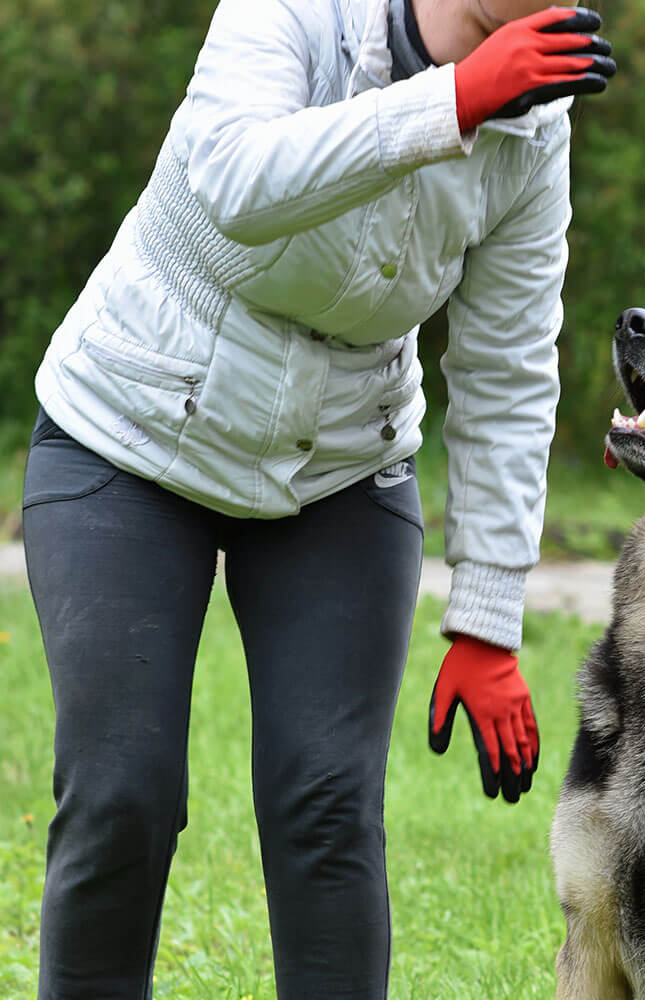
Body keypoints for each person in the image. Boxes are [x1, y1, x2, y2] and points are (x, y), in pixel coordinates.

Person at [21, 0, 614, 996]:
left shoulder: (535, 131)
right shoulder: (291, 10)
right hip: (126, 438)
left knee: (328, 806)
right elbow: (236, 181)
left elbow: (508, 370)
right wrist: (456, 98)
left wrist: (486, 617)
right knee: (122, 793)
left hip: (338, 468)